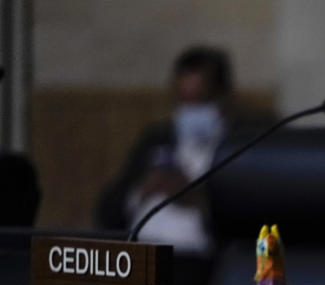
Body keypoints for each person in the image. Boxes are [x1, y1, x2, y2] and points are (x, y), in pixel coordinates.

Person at [96, 45, 260, 251]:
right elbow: (107, 210)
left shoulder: (246, 143)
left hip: (201, 260)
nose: (190, 112)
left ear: (225, 95)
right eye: (184, 101)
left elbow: (252, 216)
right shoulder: (157, 138)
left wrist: (199, 201)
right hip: (140, 254)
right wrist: (140, 191)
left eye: (200, 101)